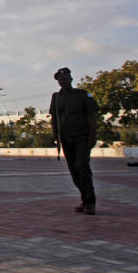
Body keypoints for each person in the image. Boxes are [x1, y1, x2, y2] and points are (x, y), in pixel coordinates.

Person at [49, 67, 99, 215]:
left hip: (82, 136)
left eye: (66, 79)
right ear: (58, 82)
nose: (63, 81)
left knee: (82, 166)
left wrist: (92, 135)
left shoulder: (83, 94)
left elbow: (92, 116)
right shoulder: (56, 97)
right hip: (66, 137)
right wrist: (55, 135)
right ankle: (85, 200)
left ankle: (90, 202)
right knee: (74, 171)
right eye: (61, 80)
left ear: (71, 79)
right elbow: (54, 117)